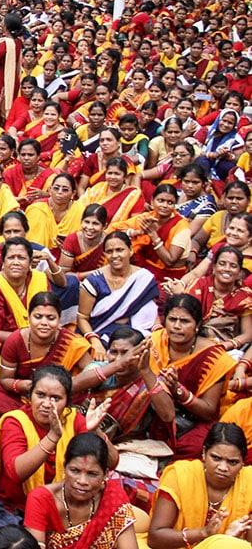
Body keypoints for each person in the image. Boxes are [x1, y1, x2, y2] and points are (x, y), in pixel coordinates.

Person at [0, 365, 112, 512]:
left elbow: (112, 462)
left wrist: (95, 431)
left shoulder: (72, 419)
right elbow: (15, 473)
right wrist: (52, 437)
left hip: (62, 506)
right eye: (40, 395)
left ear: (67, 402)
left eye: (56, 398)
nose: (47, 404)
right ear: (30, 396)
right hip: (16, 508)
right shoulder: (15, 422)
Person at [0, 293, 94, 435]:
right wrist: (25, 385)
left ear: (59, 320)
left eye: (51, 318)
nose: (44, 323)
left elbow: (92, 371)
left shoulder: (71, 342)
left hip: (57, 400)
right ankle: (14, 437)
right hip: (23, 396)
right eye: (38, 317)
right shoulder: (16, 340)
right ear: (29, 318)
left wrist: (60, 390)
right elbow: (5, 379)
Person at [148, 294, 237, 460]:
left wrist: (178, 391)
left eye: (185, 321)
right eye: (172, 319)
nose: (176, 326)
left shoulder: (215, 358)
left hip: (192, 419)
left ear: (197, 325)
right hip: (153, 411)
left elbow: (208, 411)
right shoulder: (156, 341)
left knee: (196, 449)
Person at [24, 433, 138, 549]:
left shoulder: (112, 497)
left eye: (92, 474)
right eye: (75, 471)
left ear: (105, 475)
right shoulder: (41, 499)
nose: (82, 481)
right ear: (64, 467)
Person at [147, 423, 252, 548]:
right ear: (204, 453)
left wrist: (228, 539)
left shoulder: (249, 482)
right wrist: (204, 532)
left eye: (233, 462)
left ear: (243, 462)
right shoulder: (180, 475)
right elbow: (155, 538)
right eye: (216, 458)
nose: (223, 468)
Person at [77, 232, 160, 353]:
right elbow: (82, 317)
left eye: (119, 250)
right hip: (99, 334)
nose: (114, 255)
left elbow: (152, 313)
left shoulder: (144, 279)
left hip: (136, 336)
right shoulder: (94, 281)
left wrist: (157, 334)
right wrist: (95, 341)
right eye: (109, 251)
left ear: (130, 250)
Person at [0, 238, 53, 354]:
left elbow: (51, 314)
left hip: (41, 341)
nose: (16, 262)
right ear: (3, 262)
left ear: (31, 262)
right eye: (11, 258)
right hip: (2, 349)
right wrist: (29, 337)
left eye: (21, 258)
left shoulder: (39, 279)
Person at [110, 184, 190, 284]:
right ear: (152, 201)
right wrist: (136, 232)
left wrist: (153, 235)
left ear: (175, 205)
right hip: (142, 269)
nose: (164, 205)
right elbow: (114, 229)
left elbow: (170, 261)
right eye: (160, 201)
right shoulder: (148, 218)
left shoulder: (181, 226)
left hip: (168, 279)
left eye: (170, 202)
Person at [78, 156, 144, 224]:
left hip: (116, 233)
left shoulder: (133, 195)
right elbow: (80, 207)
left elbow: (134, 222)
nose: (112, 177)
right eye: (109, 173)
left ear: (124, 176)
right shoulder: (98, 188)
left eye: (117, 174)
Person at [60, 204, 109, 281]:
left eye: (95, 223)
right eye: (86, 222)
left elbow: (112, 272)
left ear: (105, 226)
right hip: (75, 284)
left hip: (102, 283)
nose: (89, 227)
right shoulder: (72, 240)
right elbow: (64, 274)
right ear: (81, 222)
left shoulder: (109, 242)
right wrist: (94, 273)